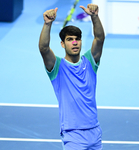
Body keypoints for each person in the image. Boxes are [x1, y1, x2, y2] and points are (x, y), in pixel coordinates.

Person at [39, 3, 105, 150]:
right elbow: (43, 48)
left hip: (95, 131)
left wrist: (94, 17)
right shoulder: (56, 67)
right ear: (62, 44)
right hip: (73, 134)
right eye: (69, 39)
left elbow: (99, 39)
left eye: (77, 39)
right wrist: (47, 24)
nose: (74, 42)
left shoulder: (90, 62)